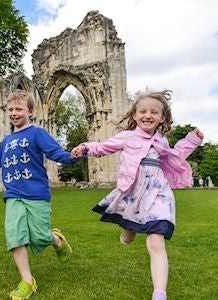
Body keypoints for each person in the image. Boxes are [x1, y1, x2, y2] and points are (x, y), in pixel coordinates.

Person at [71, 90, 203, 300]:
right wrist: (85, 147)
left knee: (156, 240)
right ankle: (127, 232)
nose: (148, 115)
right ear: (134, 115)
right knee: (128, 234)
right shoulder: (127, 137)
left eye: (154, 112)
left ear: (162, 118)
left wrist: (191, 141)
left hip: (159, 194)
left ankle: (159, 293)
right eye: (143, 111)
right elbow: (104, 147)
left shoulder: (161, 141)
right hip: (132, 194)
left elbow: (175, 156)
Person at [0, 89, 81, 299]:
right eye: (11, 109)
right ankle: (27, 281)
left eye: (19, 109)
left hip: (37, 194)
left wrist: (74, 156)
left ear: (31, 112)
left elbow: (56, 153)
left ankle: (56, 240)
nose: (14, 113)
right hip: (13, 195)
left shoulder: (37, 133)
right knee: (14, 236)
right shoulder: (6, 141)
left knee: (40, 237)